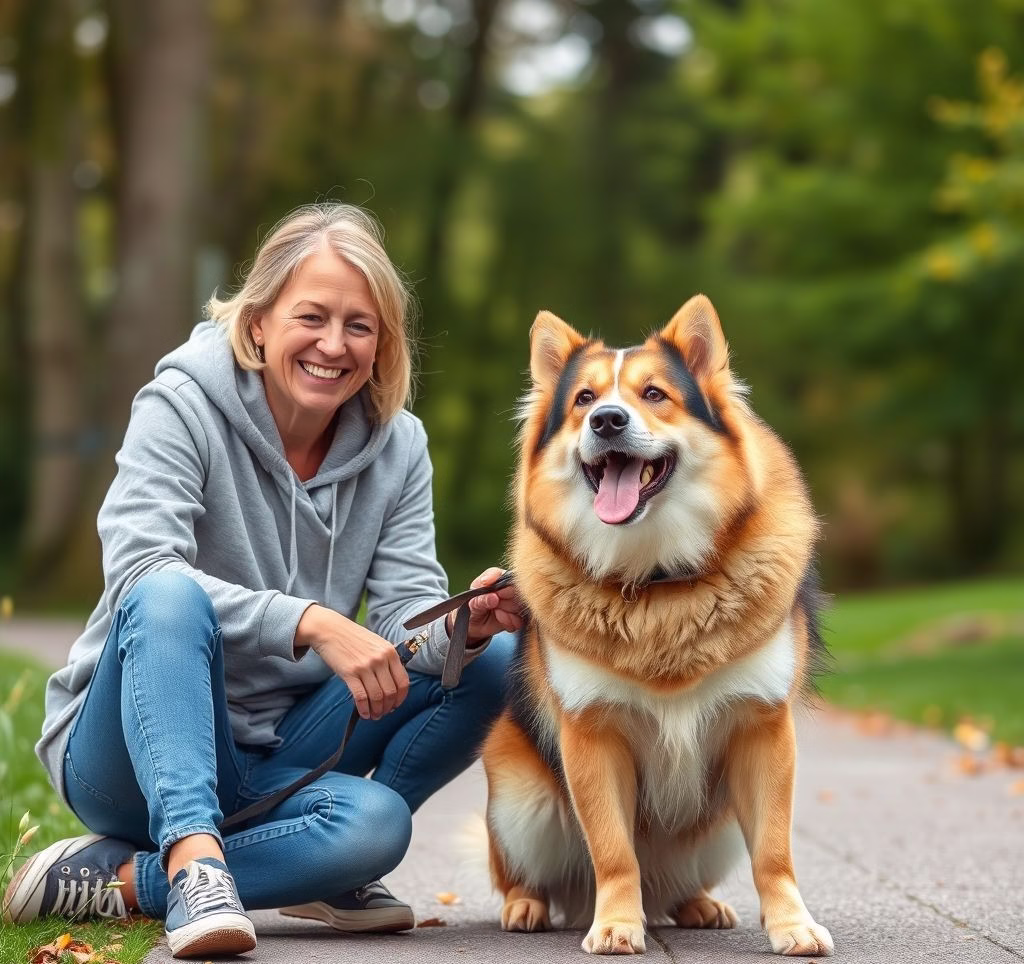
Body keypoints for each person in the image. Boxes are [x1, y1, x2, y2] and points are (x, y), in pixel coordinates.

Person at [2, 203, 521, 958]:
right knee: (169, 590)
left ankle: (156, 880)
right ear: (258, 325)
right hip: (130, 757)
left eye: (360, 326)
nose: (334, 345)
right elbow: (142, 572)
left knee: (478, 692)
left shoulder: (399, 446)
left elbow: (408, 611)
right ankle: (193, 856)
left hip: (278, 756)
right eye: (312, 317)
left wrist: (462, 627)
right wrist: (309, 621)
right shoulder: (181, 404)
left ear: (382, 346)